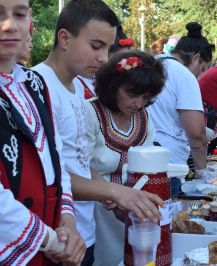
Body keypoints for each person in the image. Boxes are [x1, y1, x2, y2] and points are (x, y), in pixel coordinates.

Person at [33, 1, 163, 265]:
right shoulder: (37, 87)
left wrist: (110, 193)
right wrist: (116, 192)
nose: (104, 58)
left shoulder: (77, 88)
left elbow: (80, 162)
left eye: (107, 47)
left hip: (84, 233)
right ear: (64, 39)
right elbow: (46, 175)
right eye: (96, 46)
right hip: (57, 239)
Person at [0, 0, 85, 264]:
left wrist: (68, 222)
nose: (10, 25)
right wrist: (49, 240)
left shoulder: (34, 83)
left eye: (19, 14)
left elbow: (56, 158)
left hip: (48, 242)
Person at [86, 50, 165, 266]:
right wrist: (111, 197)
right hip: (96, 214)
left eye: (146, 97)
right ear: (113, 86)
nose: (138, 103)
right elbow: (80, 163)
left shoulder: (144, 118)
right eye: (132, 94)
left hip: (134, 214)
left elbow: (148, 167)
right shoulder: (89, 112)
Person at [147, 22, 215, 194]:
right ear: (195, 58)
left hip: (140, 158)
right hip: (170, 164)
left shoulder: (150, 63)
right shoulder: (184, 75)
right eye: (202, 69)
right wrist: (201, 173)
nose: (199, 75)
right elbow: (196, 134)